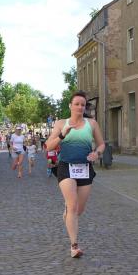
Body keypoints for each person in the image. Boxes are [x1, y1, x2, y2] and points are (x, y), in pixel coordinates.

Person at [45, 91, 105, 257]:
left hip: (85, 168)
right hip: (66, 167)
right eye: (77, 104)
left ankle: (68, 214)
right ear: (70, 106)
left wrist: (97, 153)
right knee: (72, 205)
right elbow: (49, 146)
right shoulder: (61, 123)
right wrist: (63, 134)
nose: (79, 107)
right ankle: (74, 246)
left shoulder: (91, 123)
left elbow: (101, 144)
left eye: (82, 104)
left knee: (78, 209)